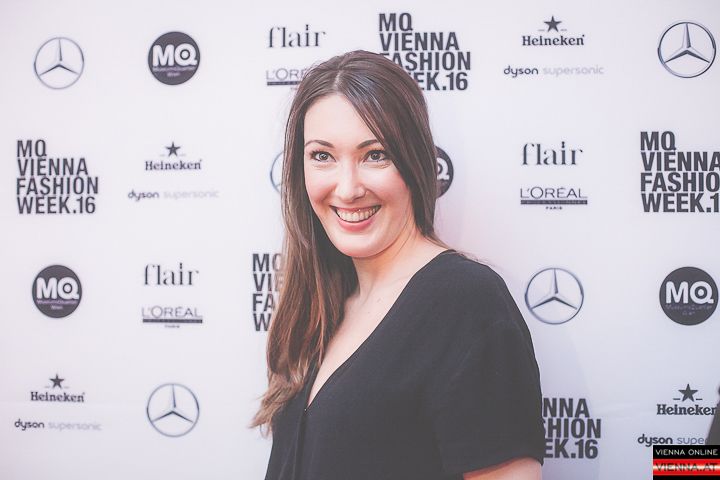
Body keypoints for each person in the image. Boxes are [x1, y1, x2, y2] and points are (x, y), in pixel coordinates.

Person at [252, 50, 545, 480]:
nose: (347, 188)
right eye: (322, 156)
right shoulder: (322, 304)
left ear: (415, 161)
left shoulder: (467, 302)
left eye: (375, 155)